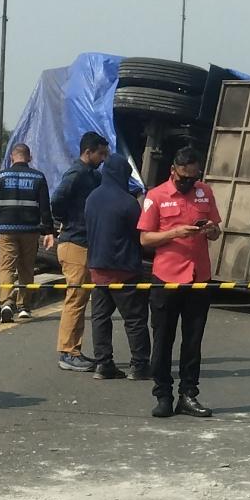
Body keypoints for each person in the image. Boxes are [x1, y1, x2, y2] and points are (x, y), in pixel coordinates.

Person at [137, 146, 221, 418]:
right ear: (173, 171)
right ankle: (163, 394)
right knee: (163, 340)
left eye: (193, 178)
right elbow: (145, 239)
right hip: (167, 277)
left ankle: (189, 394)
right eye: (183, 178)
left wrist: (210, 230)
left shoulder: (204, 192)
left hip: (199, 276)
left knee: (193, 341)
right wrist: (173, 233)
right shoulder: (156, 196)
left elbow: (217, 232)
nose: (188, 183)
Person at [83, 154, 151, 381]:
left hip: (97, 269)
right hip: (124, 269)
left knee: (100, 317)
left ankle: (104, 363)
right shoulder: (127, 202)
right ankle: (139, 365)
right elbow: (139, 233)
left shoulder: (92, 198)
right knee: (134, 319)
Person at [48, 132, 107, 371]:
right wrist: (65, 219)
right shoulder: (78, 173)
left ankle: (75, 349)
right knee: (75, 299)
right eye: (100, 153)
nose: (103, 158)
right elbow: (57, 199)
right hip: (75, 243)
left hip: (83, 242)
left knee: (81, 300)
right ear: (88, 152)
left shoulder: (91, 174)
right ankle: (67, 352)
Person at [0, 143, 53, 322]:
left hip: (6, 230)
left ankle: (6, 303)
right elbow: (44, 208)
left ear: (12, 157)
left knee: (6, 266)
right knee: (27, 267)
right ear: (29, 157)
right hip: (30, 230)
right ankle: (24, 307)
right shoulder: (38, 177)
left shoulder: (1, 177)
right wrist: (49, 231)